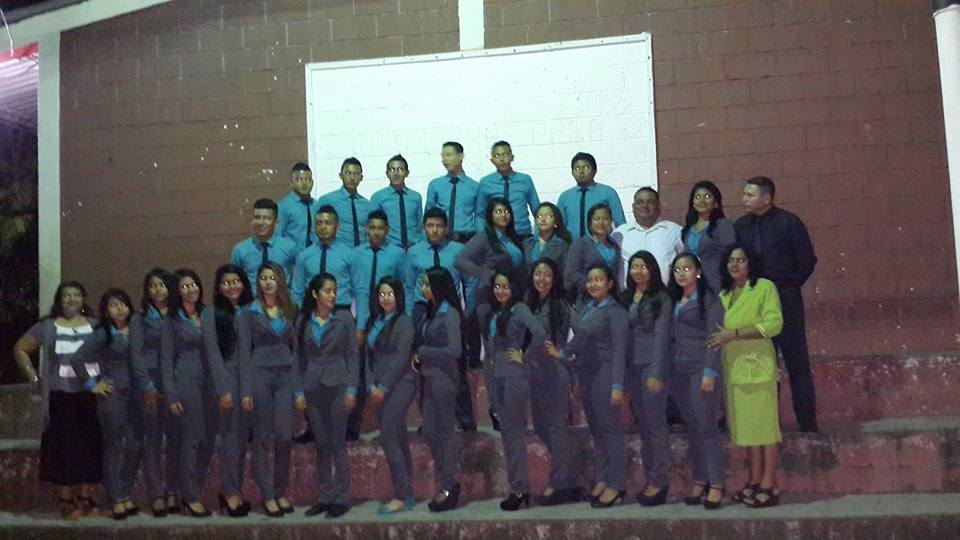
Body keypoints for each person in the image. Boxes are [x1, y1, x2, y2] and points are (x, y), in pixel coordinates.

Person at [733, 176, 818, 433]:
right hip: (755, 303)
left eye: (750, 194)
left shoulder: (789, 223)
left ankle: (807, 423)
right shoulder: (741, 227)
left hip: (785, 300)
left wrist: (789, 285)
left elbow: (807, 260)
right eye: (744, 193)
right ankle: (767, 421)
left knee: (796, 361)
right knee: (762, 364)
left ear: (767, 198)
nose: (744, 198)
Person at [14, 282, 102, 520]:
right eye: (66, 296)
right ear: (59, 300)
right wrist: (34, 377)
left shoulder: (95, 325)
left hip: (90, 395)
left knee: (88, 446)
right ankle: (65, 499)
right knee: (62, 447)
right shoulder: (48, 326)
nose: (71, 299)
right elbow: (21, 348)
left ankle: (85, 497)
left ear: (83, 299)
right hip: (60, 396)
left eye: (76, 295)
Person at [707, 244, 783, 508]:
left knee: (766, 428)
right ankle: (753, 480)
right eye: (731, 260)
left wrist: (736, 334)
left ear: (750, 264)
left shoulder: (764, 287)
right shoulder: (724, 294)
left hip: (759, 367)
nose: (735, 264)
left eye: (741, 260)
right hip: (734, 368)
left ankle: (769, 483)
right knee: (748, 428)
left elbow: (774, 324)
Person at [548, 265, 629, 509]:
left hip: (606, 374)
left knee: (611, 430)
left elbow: (619, 352)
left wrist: (617, 386)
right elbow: (580, 343)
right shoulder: (588, 308)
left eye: (599, 280)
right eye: (590, 280)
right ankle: (604, 478)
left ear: (610, 283)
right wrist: (569, 364)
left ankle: (617, 484)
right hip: (588, 375)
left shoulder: (616, 312)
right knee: (597, 431)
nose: (593, 284)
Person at [69, 289, 145, 520]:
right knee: (113, 446)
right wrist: (93, 384)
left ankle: (125, 492)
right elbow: (77, 359)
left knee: (135, 445)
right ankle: (116, 498)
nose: (119, 308)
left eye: (123, 303)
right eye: (113, 305)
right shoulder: (103, 333)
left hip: (137, 395)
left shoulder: (137, 329)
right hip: (113, 395)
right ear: (106, 311)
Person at [160, 269, 227, 517]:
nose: (191, 290)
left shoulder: (208, 314)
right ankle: (190, 497)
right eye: (185, 286)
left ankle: (192, 490)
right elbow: (166, 360)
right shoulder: (172, 321)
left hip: (211, 383)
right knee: (192, 439)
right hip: (186, 382)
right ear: (178, 292)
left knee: (208, 440)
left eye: (194, 285)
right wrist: (171, 394)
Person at [239, 263, 303, 518]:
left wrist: (298, 390)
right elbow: (244, 352)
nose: (267, 282)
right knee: (263, 437)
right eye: (263, 278)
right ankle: (267, 493)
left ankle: (280, 489)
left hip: (285, 376)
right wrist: (246, 390)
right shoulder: (248, 312)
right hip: (260, 375)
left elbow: (295, 351)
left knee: (285, 436)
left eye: (272, 278)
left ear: (280, 281)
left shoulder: (290, 309)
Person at [455, 197, 525, 429]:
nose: (503, 215)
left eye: (506, 211)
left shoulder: (512, 238)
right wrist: (486, 275)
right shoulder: (484, 237)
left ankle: (511, 406)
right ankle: (496, 408)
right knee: (494, 354)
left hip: (511, 300)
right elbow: (460, 261)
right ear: (490, 216)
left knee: (510, 352)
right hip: (489, 300)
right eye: (498, 211)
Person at [478, 271, 545, 511]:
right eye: (497, 286)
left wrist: (524, 355)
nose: (501, 291)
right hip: (497, 377)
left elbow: (540, 333)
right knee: (507, 436)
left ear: (514, 288)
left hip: (515, 377)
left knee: (514, 435)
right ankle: (517, 486)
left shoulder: (520, 309)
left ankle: (519, 488)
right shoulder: (494, 312)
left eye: (505, 286)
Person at [405, 207, 476, 431]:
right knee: (425, 364)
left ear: (446, 228)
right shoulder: (414, 252)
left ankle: (463, 416)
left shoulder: (459, 251)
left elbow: (470, 282)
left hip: (449, 310)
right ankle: (429, 416)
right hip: (422, 310)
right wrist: (410, 316)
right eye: (430, 225)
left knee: (456, 363)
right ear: (423, 227)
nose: (434, 230)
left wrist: (467, 311)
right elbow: (408, 285)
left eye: (439, 226)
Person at [664, 253, 725, 510]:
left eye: (687, 268)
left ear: (698, 272)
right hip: (678, 371)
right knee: (693, 428)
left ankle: (717, 484)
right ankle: (700, 480)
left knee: (707, 427)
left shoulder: (710, 299)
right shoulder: (673, 300)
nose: (682, 273)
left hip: (701, 369)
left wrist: (710, 371)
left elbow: (715, 337)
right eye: (677, 269)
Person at [297, 273, 358, 519]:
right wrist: (298, 391)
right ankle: (325, 496)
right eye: (327, 291)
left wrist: (352, 389)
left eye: (334, 290)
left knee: (337, 443)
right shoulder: (303, 320)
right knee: (321, 443)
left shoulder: (344, 318)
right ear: (315, 294)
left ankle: (342, 497)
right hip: (313, 386)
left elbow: (352, 355)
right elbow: (298, 357)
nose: (333, 295)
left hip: (338, 384)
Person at [347, 210, 411, 440]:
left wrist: (404, 319)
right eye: (372, 228)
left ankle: (390, 419)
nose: (375, 232)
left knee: (386, 363)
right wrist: (359, 323)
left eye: (380, 228)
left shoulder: (397, 254)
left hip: (389, 317)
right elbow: (354, 289)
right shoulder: (356, 255)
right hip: (364, 317)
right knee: (359, 371)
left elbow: (406, 286)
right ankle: (353, 425)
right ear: (366, 229)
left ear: (388, 230)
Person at [525, 259, 579, 506]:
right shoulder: (531, 303)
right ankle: (568, 477)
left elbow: (584, 331)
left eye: (547, 274)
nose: (542, 279)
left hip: (555, 373)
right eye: (538, 274)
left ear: (554, 278)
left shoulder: (561, 304)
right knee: (541, 426)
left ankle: (559, 483)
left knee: (557, 428)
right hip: (535, 373)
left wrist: (564, 353)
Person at [621, 251, 672, 506]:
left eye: (643, 266)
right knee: (644, 425)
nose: (638, 271)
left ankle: (659, 481)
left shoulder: (661, 297)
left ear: (652, 269)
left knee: (655, 425)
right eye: (634, 266)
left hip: (652, 367)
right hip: (632, 368)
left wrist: (656, 371)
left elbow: (662, 337)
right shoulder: (627, 296)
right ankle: (652, 477)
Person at [364, 276, 417, 514]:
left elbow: (401, 358)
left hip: (401, 384)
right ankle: (407, 493)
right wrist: (370, 384)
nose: (385, 298)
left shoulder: (405, 321)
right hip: (378, 385)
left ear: (399, 296)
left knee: (388, 437)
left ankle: (402, 495)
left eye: (390, 294)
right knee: (398, 437)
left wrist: (383, 387)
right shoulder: (375, 320)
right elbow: (368, 356)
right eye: (382, 294)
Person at [415, 268, 464, 512]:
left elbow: (455, 350)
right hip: (429, 377)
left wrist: (426, 352)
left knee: (445, 432)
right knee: (430, 431)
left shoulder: (450, 313)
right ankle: (446, 478)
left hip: (444, 379)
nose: (423, 289)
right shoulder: (431, 311)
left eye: (427, 284)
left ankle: (449, 484)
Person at [130, 269, 178, 517]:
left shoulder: (179, 315)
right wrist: (146, 385)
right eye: (153, 286)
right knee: (152, 439)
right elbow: (136, 353)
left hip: (175, 384)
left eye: (162, 285)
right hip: (149, 383)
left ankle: (173, 490)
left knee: (176, 438)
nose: (158, 290)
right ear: (147, 291)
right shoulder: (139, 319)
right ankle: (156, 494)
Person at [209, 264, 254, 517]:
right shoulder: (211, 314)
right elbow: (213, 355)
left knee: (240, 442)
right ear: (218, 287)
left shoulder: (250, 311)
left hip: (247, 382)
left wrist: (248, 389)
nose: (232, 286)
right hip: (225, 381)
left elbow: (250, 353)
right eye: (226, 282)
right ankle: (229, 493)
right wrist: (224, 390)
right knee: (229, 442)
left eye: (236, 281)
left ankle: (234, 490)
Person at [612, 187, 684, 288]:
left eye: (650, 202)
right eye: (640, 202)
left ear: (658, 206)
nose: (644, 206)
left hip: (666, 294)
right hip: (629, 295)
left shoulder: (675, 231)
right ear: (633, 207)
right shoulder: (619, 234)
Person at [290, 205, 353, 308]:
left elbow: (357, 290)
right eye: (319, 223)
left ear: (337, 226)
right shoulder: (304, 256)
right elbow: (297, 292)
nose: (323, 227)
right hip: (311, 309)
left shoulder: (349, 255)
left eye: (328, 223)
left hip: (340, 309)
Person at [477, 140, 540, 238]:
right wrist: (483, 236)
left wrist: (538, 236)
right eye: (497, 156)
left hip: (523, 235)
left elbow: (537, 210)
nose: (502, 159)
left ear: (512, 157)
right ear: (492, 160)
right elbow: (480, 214)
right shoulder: (485, 182)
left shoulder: (525, 180)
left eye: (505, 154)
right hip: (496, 238)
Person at [231, 198, 298, 289]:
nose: (261, 223)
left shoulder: (289, 247)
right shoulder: (240, 250)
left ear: (276, 223)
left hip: (281, 296)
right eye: (257, 218)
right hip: (252, 297)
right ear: (252, 221)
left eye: (267, 218)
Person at [681, 181, 736, 291]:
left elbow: (731, 255)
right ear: (693, 203)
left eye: (707, 196)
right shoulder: (688, 228)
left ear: (715, 202)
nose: (702, 200)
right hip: (693, 286)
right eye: (697, 197)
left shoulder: (723, 225)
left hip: (716, 284)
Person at [556, 152, 626, 239]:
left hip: (601, 244)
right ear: (572, 172)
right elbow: (559, 227)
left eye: (586, 167)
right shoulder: (565, 197)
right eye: (577, 168)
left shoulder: (608, 193)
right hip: (572, 245)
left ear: (594, 171)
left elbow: (621, 224)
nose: (581, 172)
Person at [425, 141, 480, 243]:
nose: (445, 160)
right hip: (440, 239)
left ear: (460, 156)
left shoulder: (475, 187)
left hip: (466, 240)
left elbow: (479, 216)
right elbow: (428, 214)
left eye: (448, 155)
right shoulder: (435, 185)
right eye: (443, 157)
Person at [564, 203, 621, 301]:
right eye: (597, 219)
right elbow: (571, 275)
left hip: (611, 299)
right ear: (590, 223)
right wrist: (595, 285)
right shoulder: (580, 245)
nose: (601, 223)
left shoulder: (614, 245)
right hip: (586, 299)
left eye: (605, 219)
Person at [370, 154, 423, 250]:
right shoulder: (378, 197)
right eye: (391, 170)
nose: (395, 173)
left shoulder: (416, 197)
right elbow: (372, 227)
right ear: (387, 173)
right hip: (388, 249)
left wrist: (420, 244)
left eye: (400, 169)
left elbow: (419, 226)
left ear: (407, 173)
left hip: (413, 248)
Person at [318, 157, 372, 247]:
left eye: (356, 174)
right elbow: (316, 230)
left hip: (361, 252)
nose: (352, 178)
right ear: (340, 175)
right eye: (348, 173)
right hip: (337, 252)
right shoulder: (327, 201)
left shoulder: (367, 205)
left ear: (361, 177)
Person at [277, 162, 319, 252]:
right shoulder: (283, 206)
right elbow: (277, 236)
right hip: (292, 256)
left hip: (314, 255)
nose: (304, 183)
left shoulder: (317, 206)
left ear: (312, 183)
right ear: (291, 184)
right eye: (299, 180)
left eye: (307, 179)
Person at [522, 202, 571, 271]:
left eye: (548, 216)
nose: (543, 219)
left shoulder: (562, 246)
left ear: (555, 221)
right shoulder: (527, 243)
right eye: (539, 216)